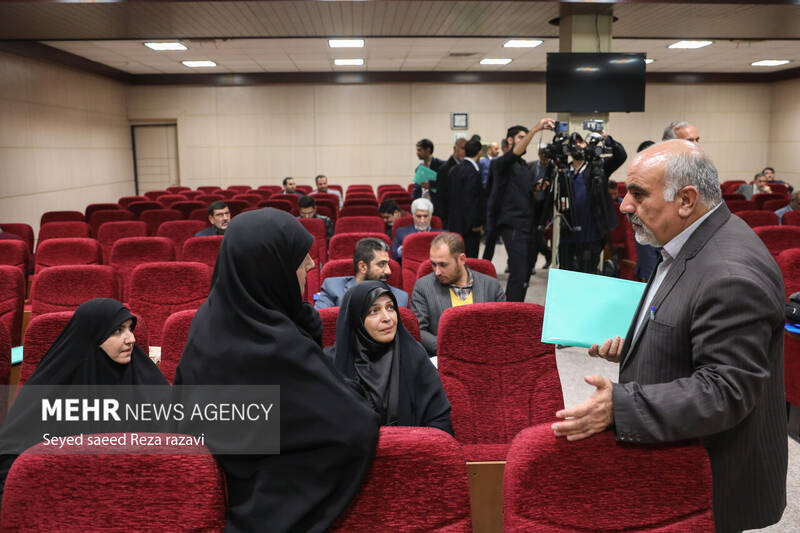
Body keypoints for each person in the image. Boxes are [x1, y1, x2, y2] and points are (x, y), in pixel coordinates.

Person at [552, 140, 787, 533]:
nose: (625, 205)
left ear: (686, 200)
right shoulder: (692, 240)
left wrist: (619, 406)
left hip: (710, 483)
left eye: (638, 194)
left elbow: (725, 390)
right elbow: (694, 324)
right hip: (680, 463)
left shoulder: (729, 274)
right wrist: (641, 343)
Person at [174, 208, 380, 532]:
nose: (310, 264)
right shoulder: (276, 347)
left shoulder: (208, 322)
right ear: (269, 269)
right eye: (298, 258)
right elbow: (354, 424)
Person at [0, 298, 168, 496]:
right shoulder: (54, 387)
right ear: (93, 337)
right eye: (118, 330)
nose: (131, 339)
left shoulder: (147, 384)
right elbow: (12, 461)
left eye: (130, 329)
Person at [327, 281, 453, 434]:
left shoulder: (414, 355)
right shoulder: (331, 364)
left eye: (390, 307)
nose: (387, 318)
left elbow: (440, 420)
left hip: (411, 446)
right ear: (356, 319)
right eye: (374, 311)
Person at [411, 233, 505, 357]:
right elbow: (419, 330)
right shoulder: (423, 287)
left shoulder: (491, 286)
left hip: (485, 357)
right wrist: (453, 350)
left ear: (461, 259)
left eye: (443, 265)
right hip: (444, 358)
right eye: (433, 264)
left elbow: (503, 328)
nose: (437, 272)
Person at [490, 118, 554, 301]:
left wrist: (536, 188)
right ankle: (510, 311)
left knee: (525, 273)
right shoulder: (502, 163)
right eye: (521, 137)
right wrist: (535, 129)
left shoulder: (524, 166)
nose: (525, 140)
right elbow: (513, 155)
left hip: (529, 225)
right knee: (518, 273)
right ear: (510, 140)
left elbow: (524, 192)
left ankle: (518, 308)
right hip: (512, 225)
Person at [558, 130, 627, 274]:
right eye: (574, 143)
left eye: (581, 142)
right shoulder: (564, 171)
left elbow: (621, 156)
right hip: (568, 233)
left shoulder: (598, 167)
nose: (578, 145)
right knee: (566, 273)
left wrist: (606, 138)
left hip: (591, 234)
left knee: (588, 273)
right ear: (569, 150)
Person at [315, 237, 409, 309]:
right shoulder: (333, 288)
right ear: (363, 267)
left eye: (387, 264)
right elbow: (323, 322)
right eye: (381, 264)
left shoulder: (400, 298)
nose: (388, 271)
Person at [444, 135, 485, 258]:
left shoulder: (454, 169)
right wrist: (476, 224)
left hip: (454, 224)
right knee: (469, 259)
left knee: (456, 257)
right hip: (469, 228)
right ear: (479, 152)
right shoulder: (473, 172)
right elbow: (471, 201)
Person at [435, 136, 467, 228]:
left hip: (463, 218)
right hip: (450, 219)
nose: (465, 152)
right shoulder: (445, 169)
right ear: (454, 149)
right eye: (462, 148)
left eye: (466, 149)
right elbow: (442, 198)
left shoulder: (466, 167)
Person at [411, 138, 444, 207]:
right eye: (417, 150)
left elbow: (447, 185)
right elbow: (417, 189)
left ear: (428, 150)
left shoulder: (441, 165)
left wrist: (431, 185)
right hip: (422, 205)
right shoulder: (418, 168)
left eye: (419, 150)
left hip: (437, 204)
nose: (417, 153)